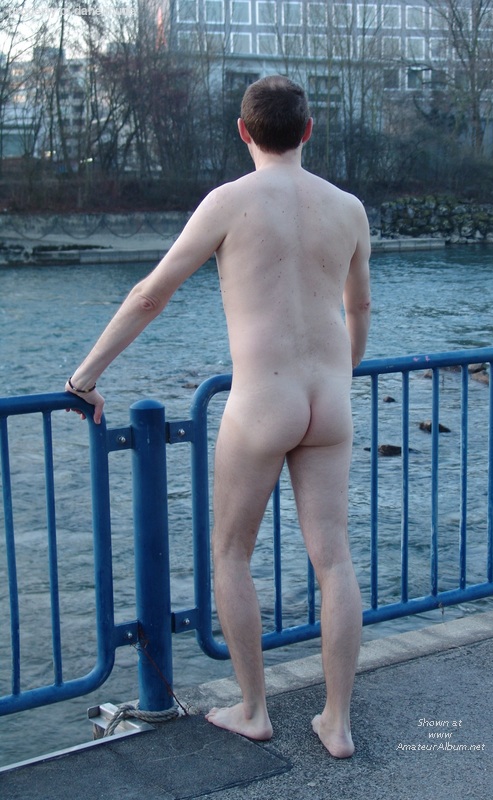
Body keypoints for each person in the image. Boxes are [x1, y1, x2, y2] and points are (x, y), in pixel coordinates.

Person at [65, 75, 371, 758]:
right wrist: (345, 370)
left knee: (232, 553)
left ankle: (254, 709)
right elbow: (359, 307)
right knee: (334, 560)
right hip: (330, 402)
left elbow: (151, 296)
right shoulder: (348, 208)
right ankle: (337, 722)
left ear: (243, 132)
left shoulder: (230, 201)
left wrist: (85, 376)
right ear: (308, 130)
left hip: (263, 401)